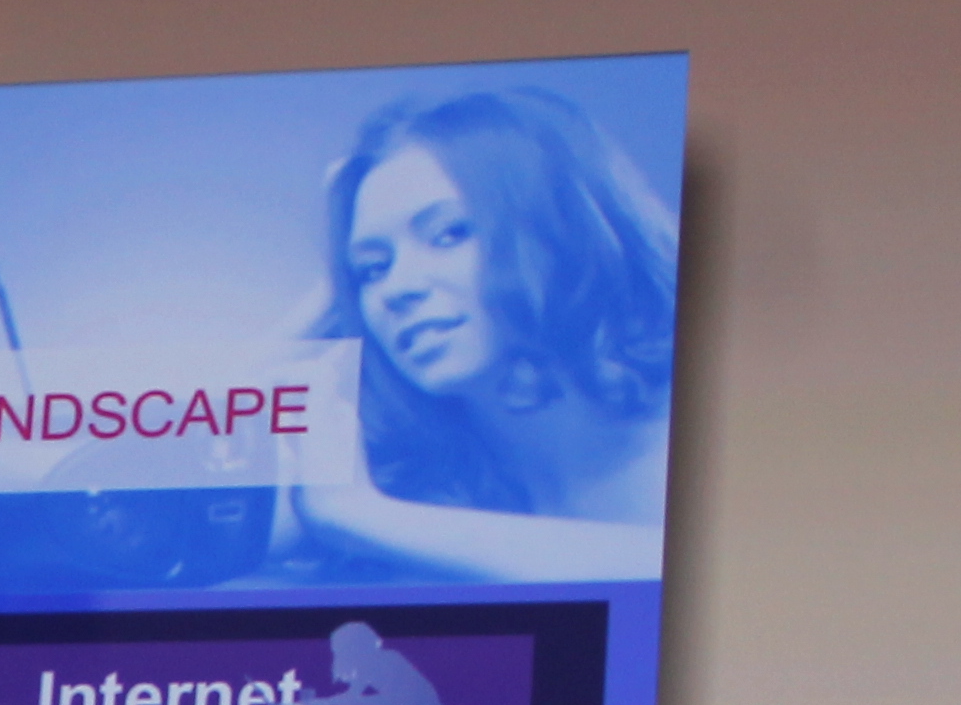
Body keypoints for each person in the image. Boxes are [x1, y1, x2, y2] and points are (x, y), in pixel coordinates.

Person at [285, 87, 679, 583]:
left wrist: (361, 515)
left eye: (450, 234)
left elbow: (668, 567)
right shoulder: (421, 470)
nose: (397, 289)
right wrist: (330, 295)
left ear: (555, 229)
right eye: (373, 268)